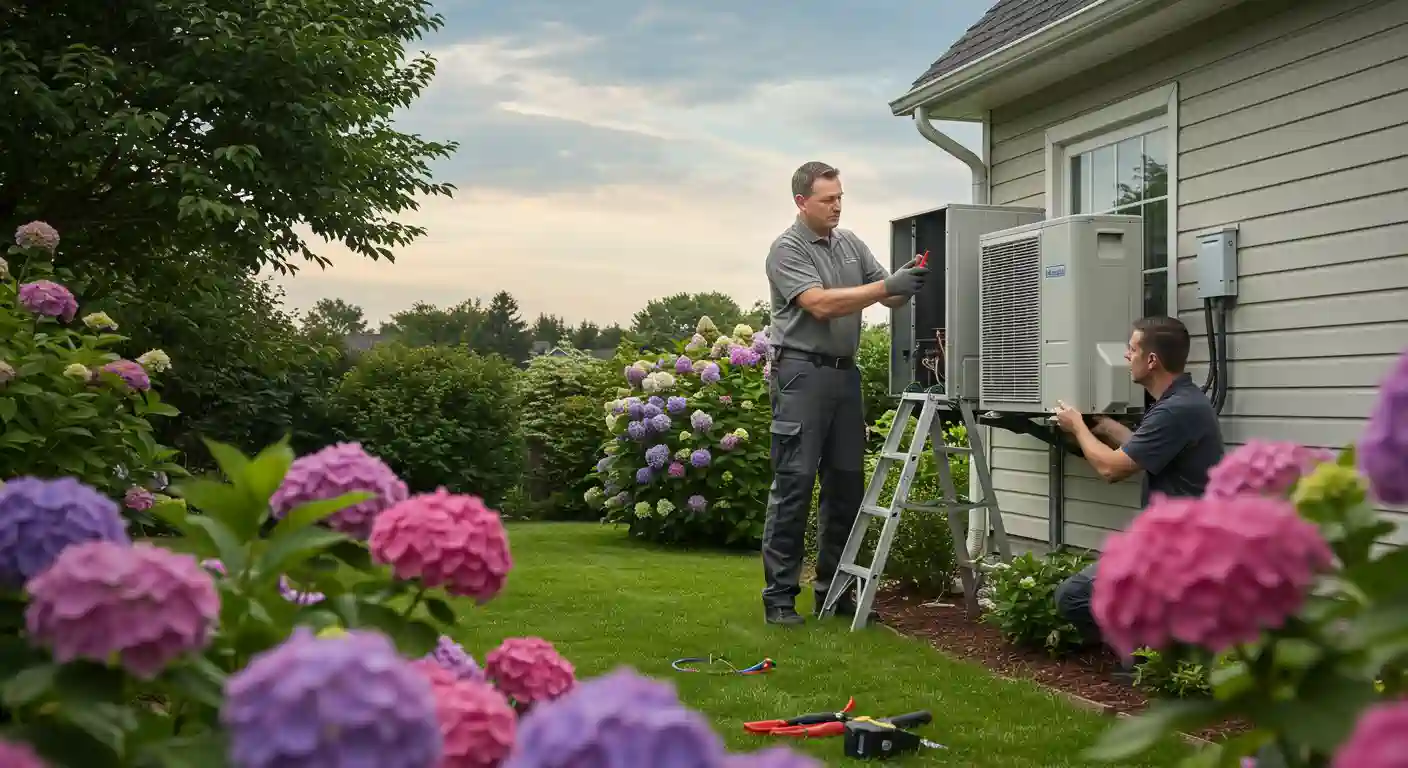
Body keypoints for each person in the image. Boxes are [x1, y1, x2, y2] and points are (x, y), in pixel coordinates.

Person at [759, 161, 930, 626]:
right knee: (794, 486)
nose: (837, 206)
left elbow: (889, 296)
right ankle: (779, 599)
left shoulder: (850, 243)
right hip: (801, 375)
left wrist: (905, 280)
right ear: (801, 201)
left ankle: (835, 594)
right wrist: (883, 286)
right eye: (827, 199)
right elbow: (819, 304)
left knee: (846, 486)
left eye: (840, 197)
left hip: (844, 376)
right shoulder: (787, 249)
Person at [1049, 315, 1225, 646]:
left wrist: (1078, 427)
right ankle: (1156, 650)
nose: (1127, 357)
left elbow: (1112, 469)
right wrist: (1103, 425)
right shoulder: (1180, 401)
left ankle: (1146, 656)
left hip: (1176, 546)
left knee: (1072, 597)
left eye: (1132, 349)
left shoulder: (1175, 410)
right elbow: (1144, 448)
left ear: (1152, 360)